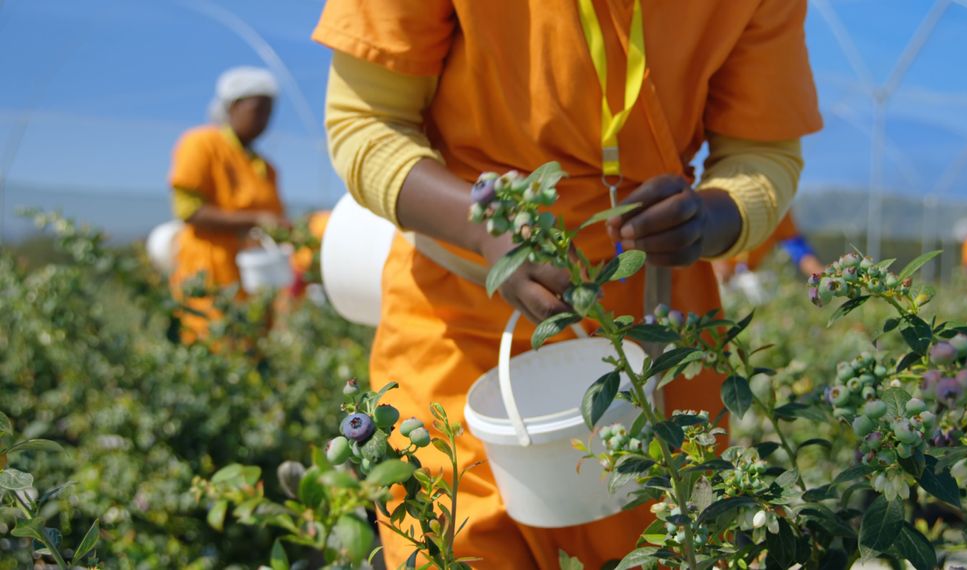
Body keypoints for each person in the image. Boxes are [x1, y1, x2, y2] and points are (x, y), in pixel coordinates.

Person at [314, 0, 821, 566]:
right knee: (460, 538)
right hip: (463, 318)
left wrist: (711, 216)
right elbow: (366, 122)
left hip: (658, 330)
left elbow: (762, 151)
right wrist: (484, 230)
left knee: (666, 538)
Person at [168, 67, 289, 341]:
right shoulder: (202, 144)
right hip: (208, 270)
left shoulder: (266, 167)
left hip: (254, 275)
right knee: (211, 343)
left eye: (270, 112)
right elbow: (189, 210)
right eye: (258, 109)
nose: (265, 120)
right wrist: (257, 220)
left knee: (252, 343)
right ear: (233, 107)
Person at [712, 211, 825, 283]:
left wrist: (823, 276)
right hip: (715, 275)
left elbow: (800, 253)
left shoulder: (779, 211)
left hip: (746, 279)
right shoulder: (727, 199)